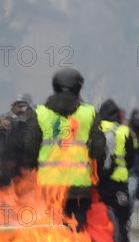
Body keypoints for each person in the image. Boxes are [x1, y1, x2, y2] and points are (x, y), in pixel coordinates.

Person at [23, 68, 102, 232]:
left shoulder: (39, 113)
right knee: (75, 231)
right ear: (78, 88)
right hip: (78, 187)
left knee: (51, 232)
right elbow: (99, 150)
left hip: (48, 185)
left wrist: (36, 169)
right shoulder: (89, 113)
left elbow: (29, 149)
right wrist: (93, 172)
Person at [95, 99, 135, 242]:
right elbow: (131, 160)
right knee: (121, 219)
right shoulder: (125, 131)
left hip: (99, 182)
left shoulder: (95, 129)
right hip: (119, 183)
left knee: (101, 218)